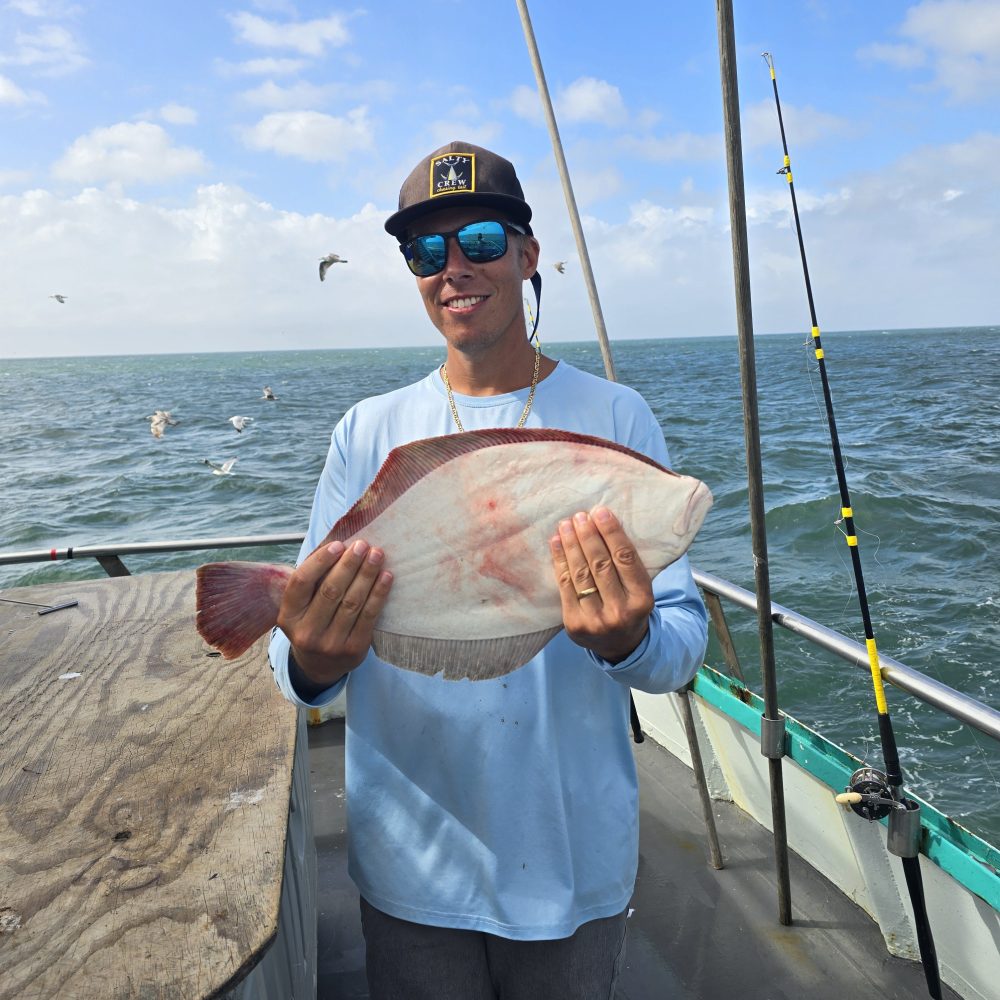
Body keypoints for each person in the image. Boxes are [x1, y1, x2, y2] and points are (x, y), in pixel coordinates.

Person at [269, 140, 708, 999]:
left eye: (478, 240)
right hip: (411, 859)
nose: (453, 269)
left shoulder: (618, 414)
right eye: (426, 254)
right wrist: (314, 656)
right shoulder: (368, 430)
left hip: (573, 859)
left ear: (527, 254)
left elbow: (682, 642)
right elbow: (294, 668)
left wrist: (630, 641)